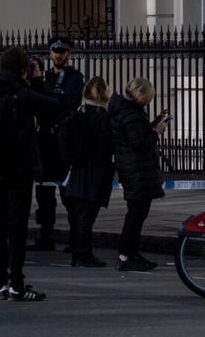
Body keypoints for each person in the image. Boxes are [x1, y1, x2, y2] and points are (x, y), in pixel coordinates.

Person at [0, 46, 64, 302]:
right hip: (19, 170)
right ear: (23, 69)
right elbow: (55, 107)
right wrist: (37, 79)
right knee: (17, 228)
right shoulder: (22, 95)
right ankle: (17, 283)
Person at [108, 76, 167, 272]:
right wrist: (157, 131)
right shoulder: (131, 114)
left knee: (137, 214)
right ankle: (126, 255)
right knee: (136, 214)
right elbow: (139, 143)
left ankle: (131, 253)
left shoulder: (126, 112)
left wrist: (152, 124)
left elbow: (136, 136)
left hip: (132, 168)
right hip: (136, 170)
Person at [31, 38, 85, 252]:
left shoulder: (74, 77)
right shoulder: (44, 77)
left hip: (64, 139)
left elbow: (65, 102)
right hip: (44, 139)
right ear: (49, 53)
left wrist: (46, 98)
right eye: (55, 51)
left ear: (69, 53)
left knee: (67, 192)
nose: (58, 55)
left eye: (62, 52)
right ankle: (46, 235)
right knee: (43, 192)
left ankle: (74, 238)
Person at [60, 75, 116, 267]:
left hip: (77, 170)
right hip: (94, 171)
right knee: (87, 215)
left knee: (78, 214)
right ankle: (84, 253)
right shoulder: (102, 117)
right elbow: (106, 145)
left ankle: (78, 251)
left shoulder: (80, 113)